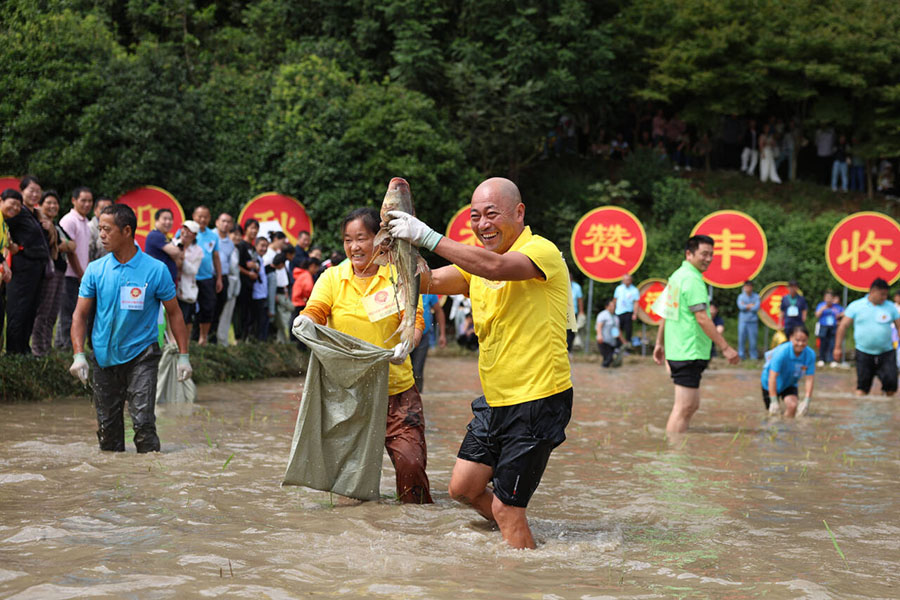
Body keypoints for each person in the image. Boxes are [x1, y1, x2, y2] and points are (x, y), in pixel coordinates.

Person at [386, 177, 572, 549]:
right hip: (496, 400)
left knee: (506, 508)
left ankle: (517, 544)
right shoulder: (476, 264)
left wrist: (427, 235)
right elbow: (429, 280)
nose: (483, 224)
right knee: (463, 488)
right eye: (475, 216)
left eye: (492, 214)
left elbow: (496, 267)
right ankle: (521, 529)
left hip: (537, 398)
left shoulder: (540, 251)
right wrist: (398, 249)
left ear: (519, 213)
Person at [296, 206, 431, 504]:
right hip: (349, 395)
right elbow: (317, 310)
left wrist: (408, 343)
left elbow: (415, 320)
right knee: (349, 487)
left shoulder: (397, 275)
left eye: (362, 238)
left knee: (411, 465)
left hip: (397, 391)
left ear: (380, 239)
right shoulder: (332, 277)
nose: (354, 247)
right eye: (348, 239)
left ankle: (418, 530)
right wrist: (306, 320)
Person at [68, 203, 191, 452]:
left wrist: (183, 356)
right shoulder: (95, 269)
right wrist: (78, 354)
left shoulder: (155, 270)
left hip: (141, 355)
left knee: (144, 424)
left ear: (126, 231)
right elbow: (79, 315)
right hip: (103, 357)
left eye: (107, 229)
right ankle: (112, 482)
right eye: (100, 228)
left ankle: (149, 482)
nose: (101, 234)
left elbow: (175, 313)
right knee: (108, 432)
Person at [653, 235, 740, 434]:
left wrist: (659, 343)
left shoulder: (677, 276)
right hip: (688, 350)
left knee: (690, 406)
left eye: (711, 254)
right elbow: (702, 317)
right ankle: (674, 458)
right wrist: (725, 347)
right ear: (689, 254)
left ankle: (679, 451)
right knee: (684, 407)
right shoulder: (692, 280)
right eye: (704, 254)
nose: (708, 259)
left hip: (679, 349)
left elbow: (666, 312)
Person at [5, 176, 50, 354]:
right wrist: (13, 246)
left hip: (35, 270)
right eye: (31, 190)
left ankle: (23, 349)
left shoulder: (33, 214)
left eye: (38, 191)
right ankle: (13, 352)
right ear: (22, 191)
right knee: (19, 309)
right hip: (21, 269)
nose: (35, 194)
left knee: (31, 309)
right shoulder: (17, 212)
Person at [834, 278, 900, 396]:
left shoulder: (890, 307)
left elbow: (899, 326)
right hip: (863, 352)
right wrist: (837, 347)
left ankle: (886, 409)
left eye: (886, 294)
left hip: (886, 352)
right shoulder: (856, 306)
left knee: (891, 385)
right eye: (882, 294)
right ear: (873, 291)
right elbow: (843, 326)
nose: (884, 297)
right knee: (862, 388)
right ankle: (861, 411)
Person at [32, 191, 75, 356]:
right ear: (41, 205)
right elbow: (57, 245)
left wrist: (61, 243)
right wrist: (61, 243)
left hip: (59, 271)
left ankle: (47, 349)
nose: (52, 206)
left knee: (52, 313)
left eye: (55, 203)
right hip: (47, 273)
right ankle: (38, 350)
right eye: (48, 203)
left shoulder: (56, 226)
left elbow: (72, 245)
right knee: (43, 312)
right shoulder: (40, 223)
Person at [55, 186, 92, 351]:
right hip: (70, 274)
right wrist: (80, 273)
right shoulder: (69, 220)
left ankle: (67, 347)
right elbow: (69, 251)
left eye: (89, 201)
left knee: (78, 314)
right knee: (68, 314)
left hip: (80, 275)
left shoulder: (86, 222)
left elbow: (84, 251)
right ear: (74, 200)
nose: (87, 204)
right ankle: (65, 348)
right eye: (83, 200)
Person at [761, 325, 816, 418]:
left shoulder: (810, 354)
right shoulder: (782, 352)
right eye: (797, 340)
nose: (800, 344)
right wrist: (774, 400)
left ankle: (788, 429)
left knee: (793, 406)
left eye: (804, 341)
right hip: (769, 383)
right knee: (773, 414)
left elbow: (809, 379)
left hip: (789, 383)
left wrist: (807, 401)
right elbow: (772, 377)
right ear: (791, 338)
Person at [409, 293, 447, 392]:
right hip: (405, 337)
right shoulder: (402, 289)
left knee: (417, 369)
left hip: (423, 336)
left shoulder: (428, 292)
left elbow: (439, 311)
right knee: (405, 370)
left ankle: (417, 395)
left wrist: (442, 334)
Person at [0, 189, 23, 346]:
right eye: (12, 203)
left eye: (18, 206)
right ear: (1, 200)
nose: (15, 208)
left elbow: (10, 247)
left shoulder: (4, 225)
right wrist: (4, 264)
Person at [210, 213, 235, 345]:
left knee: (219, 307)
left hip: (223, 277)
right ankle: (200, 337)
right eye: (223, 221)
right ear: (217, 222)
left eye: (228, 222)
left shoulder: (230, 243)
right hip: (210, 276)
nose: (225, 224)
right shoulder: (210, 236)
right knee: (208, 307)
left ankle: (213, 337)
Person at [175, 220, 203, 338]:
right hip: (171, 285)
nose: (185, 233)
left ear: (195, 235)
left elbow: (193, 270)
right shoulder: (172, 244)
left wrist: (182, 259)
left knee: (184, 318)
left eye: (189, 231)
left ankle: (182, 346)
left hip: (186, 289)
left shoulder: (198, 251)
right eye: (184, 229)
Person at [235, 219, 260, 340]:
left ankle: (245, 338)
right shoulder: (241, 246)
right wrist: (248, 273)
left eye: (256, 228)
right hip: (241, 284)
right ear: (246, 230)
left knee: (248, 313)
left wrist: (256, 268)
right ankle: (238, 338)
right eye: (251, 228)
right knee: (240, 312)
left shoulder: (252, 247)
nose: (254, 231)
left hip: (251, 285)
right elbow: (237, 265)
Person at [144, 208, 181, 287]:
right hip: (159, 281)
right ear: (156, 220)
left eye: (170, 219)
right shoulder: (155, 235)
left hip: (166, 280)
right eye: (164, 219)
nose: (168, 222)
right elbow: (175, 252)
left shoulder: (165, 236)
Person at [267, 252, 293, 343]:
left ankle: (281, 339)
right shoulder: (271, 271)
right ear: (281, 264)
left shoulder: (275, 270)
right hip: (275, 297)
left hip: (279, 295)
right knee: (278, 320)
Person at [815, 290, 843, 367]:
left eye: (830, 298)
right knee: (823, 343)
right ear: (824, 298)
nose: (828, 299)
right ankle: (821, 359)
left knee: (832, 343)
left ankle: (832, 360)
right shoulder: (821, 305)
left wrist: (839, 316)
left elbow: (844, 312)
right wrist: (823, 309)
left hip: (833, 327)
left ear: (833, 298)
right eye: (827, 297)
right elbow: (817, 315)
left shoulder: (836, 307)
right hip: (823, 326)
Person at [250, 236, 269, 340]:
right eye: (262, 246)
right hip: (256, 295)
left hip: (262, 294)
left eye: (266, 246)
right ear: (256, 246)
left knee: (262, 321)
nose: (264, 248)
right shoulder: (254, 258)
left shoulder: (261, 259)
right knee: (258, 321)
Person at [596, 298, 624, 368]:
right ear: (606, 306)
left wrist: (623, 341)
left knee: (609, 359)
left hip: (612, 341)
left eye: (614, 306)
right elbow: (599, 326)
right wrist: (599, 335)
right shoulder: (603, 315)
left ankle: (606, 372)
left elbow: (618, 330)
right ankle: (603, 371)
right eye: (611, 306)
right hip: (603, 341)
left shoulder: (615, 317)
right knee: (608, 358)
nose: (613, 307)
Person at [613, 273, 640, 347]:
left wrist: (635, 313)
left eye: (628, 280)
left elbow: (636, 303)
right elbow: (615, 300)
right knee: (617, 329)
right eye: (625, 280)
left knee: (628, 330)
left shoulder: (634, 290)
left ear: (631, 280)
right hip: (618, 312)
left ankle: (627, 346)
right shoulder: (619, 288)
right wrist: (613, 310)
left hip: (628, 312)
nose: (626, 281)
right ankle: (617, 346)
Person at [736, 280, 760, 359]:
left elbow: (756, 307)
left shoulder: (756, 296)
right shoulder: (741, 296)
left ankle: (753, 356)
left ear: (752, 287)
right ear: (744, 287)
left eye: (749, 286)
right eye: (746, 286)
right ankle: (741, 356)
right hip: (743, 321)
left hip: (753, 321)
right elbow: (741, 307)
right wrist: (750, 305)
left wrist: (746, 306)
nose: (748, 288)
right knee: (741, 339)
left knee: (753, 340)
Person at [88, 197, 113, 262]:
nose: (106, 212)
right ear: (95, 211)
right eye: (102, 209)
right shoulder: (89, 228)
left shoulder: (118, 227)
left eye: (109, 209)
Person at [567, 272, 585, 352]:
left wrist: (581, 312)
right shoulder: (562, 285)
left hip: (573, 312)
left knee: (571, 331)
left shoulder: (577, 287)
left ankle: (569, 348)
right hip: (563, 311)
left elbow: (579, 300)